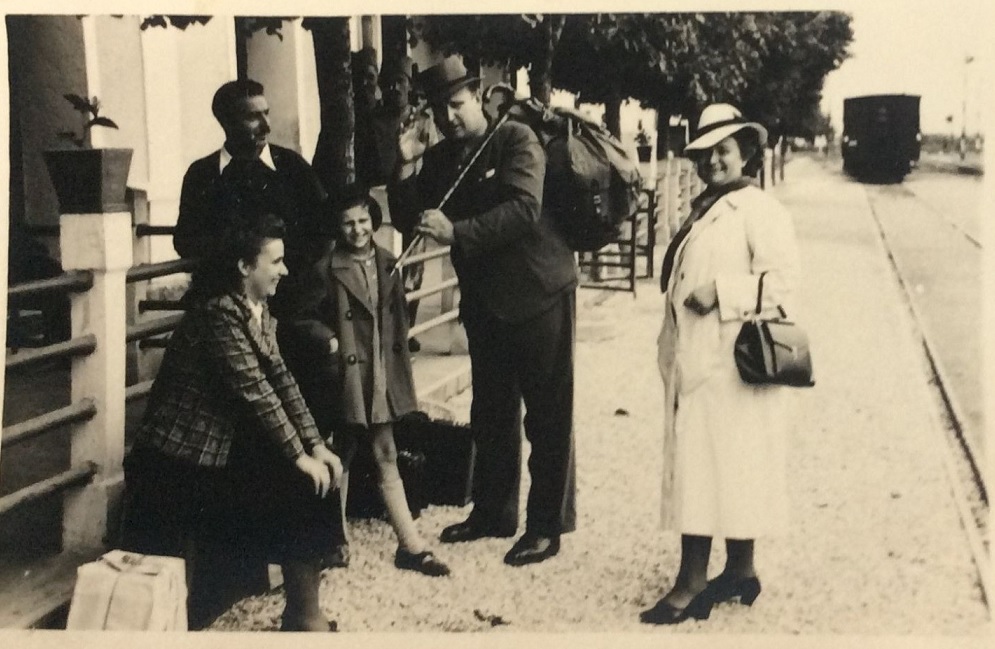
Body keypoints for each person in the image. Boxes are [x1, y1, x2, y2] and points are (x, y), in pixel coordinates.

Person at [388, 55, 578, 567]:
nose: (450, 117)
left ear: (477, 96)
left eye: (457, 104)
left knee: (546, 415)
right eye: (439, 109)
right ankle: (493, 512)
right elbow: (409, 215)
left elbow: (524, 208)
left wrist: (460, 233)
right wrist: (405, 161)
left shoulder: (516, 139)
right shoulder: (446, 155)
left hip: (540, 292)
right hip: (487, 303)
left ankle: (545, 527)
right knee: (491, 411)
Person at [122, 203, 344, 632]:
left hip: (218, 455)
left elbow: (282, 382)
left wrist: (316, 445)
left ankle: (303, 613)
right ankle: (304, 617)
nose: (284, 270)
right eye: (275, 261)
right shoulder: (217, 313)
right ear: (245, 265)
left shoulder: (257, 311)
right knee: (299, 478)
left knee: (313, 476)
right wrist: (299, 456)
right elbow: (255, 392)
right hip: (175, 466)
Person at [641, 103, 800, 625]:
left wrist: (721, 292)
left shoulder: (759, 210)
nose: (713, 161)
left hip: (733, 364)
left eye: (723, 151)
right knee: (724, 466)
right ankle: (741, 570)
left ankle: (691, 583)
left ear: (745, 152)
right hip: (702, 363)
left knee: (709, 468)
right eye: (704, 153)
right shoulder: (710, 206)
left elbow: (783, 287)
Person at [277, 184, 451, 578]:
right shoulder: (326, 268)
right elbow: (299, 318)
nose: (357, 230)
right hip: (348, 378)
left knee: (386, 453)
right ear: (338, 228)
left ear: (374, 221)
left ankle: (410, 545)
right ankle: (333, 543)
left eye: (363, 221)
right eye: (348, 223)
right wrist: (330, 340)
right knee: (342, 456)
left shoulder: (390, 262)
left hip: (379, 380)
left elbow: (396, 326)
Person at [173, 79, 326, 264]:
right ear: (227, 122)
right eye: (253, 117)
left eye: (266, 113)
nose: (266, 126)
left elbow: (322, 231)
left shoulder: (292, 166)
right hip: (225, 287)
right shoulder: (202, 174)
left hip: (290, 287)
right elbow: (185, 242)